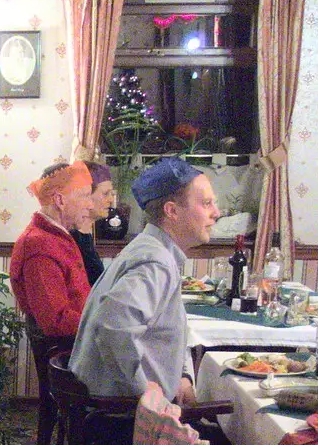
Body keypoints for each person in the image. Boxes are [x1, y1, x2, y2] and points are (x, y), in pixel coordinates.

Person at [69, 158, 220, 404]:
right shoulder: (155, 262)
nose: (217, 213)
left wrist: (181, 376)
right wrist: (144, 390)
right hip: (121, 417)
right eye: (206, 203)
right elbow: (112, 328)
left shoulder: (151, 249)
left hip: (116, 409)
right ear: (171, 211)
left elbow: (168, 335)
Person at [9, 160, 99, 338]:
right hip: (68, 356)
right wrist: (105, 327)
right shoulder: (38, 245)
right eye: (85, 195)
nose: (91, 205)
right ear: (59, 200)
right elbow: (56, 322)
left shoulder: (56, 237)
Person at [73, 162, 117, 285]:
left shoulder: (86, 237)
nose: (111, 200)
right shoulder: (73, 241)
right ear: (86, 194)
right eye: (105, 194)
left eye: (111, 194)